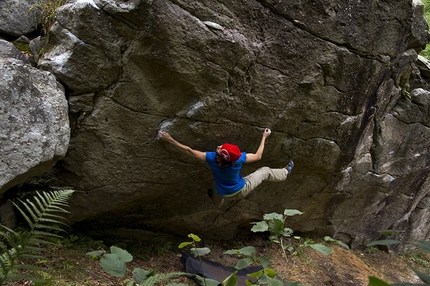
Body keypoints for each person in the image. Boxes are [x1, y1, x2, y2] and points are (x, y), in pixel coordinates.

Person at [158, 128, 294, 208]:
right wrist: (264, 137)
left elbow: (189, 151)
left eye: (220, 147)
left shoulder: (211, 158)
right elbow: (258, 156)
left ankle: (217, 204)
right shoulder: (239, 159)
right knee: (264, 171)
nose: (219, 146)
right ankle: (285, 172)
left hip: (223, 192)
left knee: (219, 191)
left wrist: (170, 139)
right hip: (240, 190)